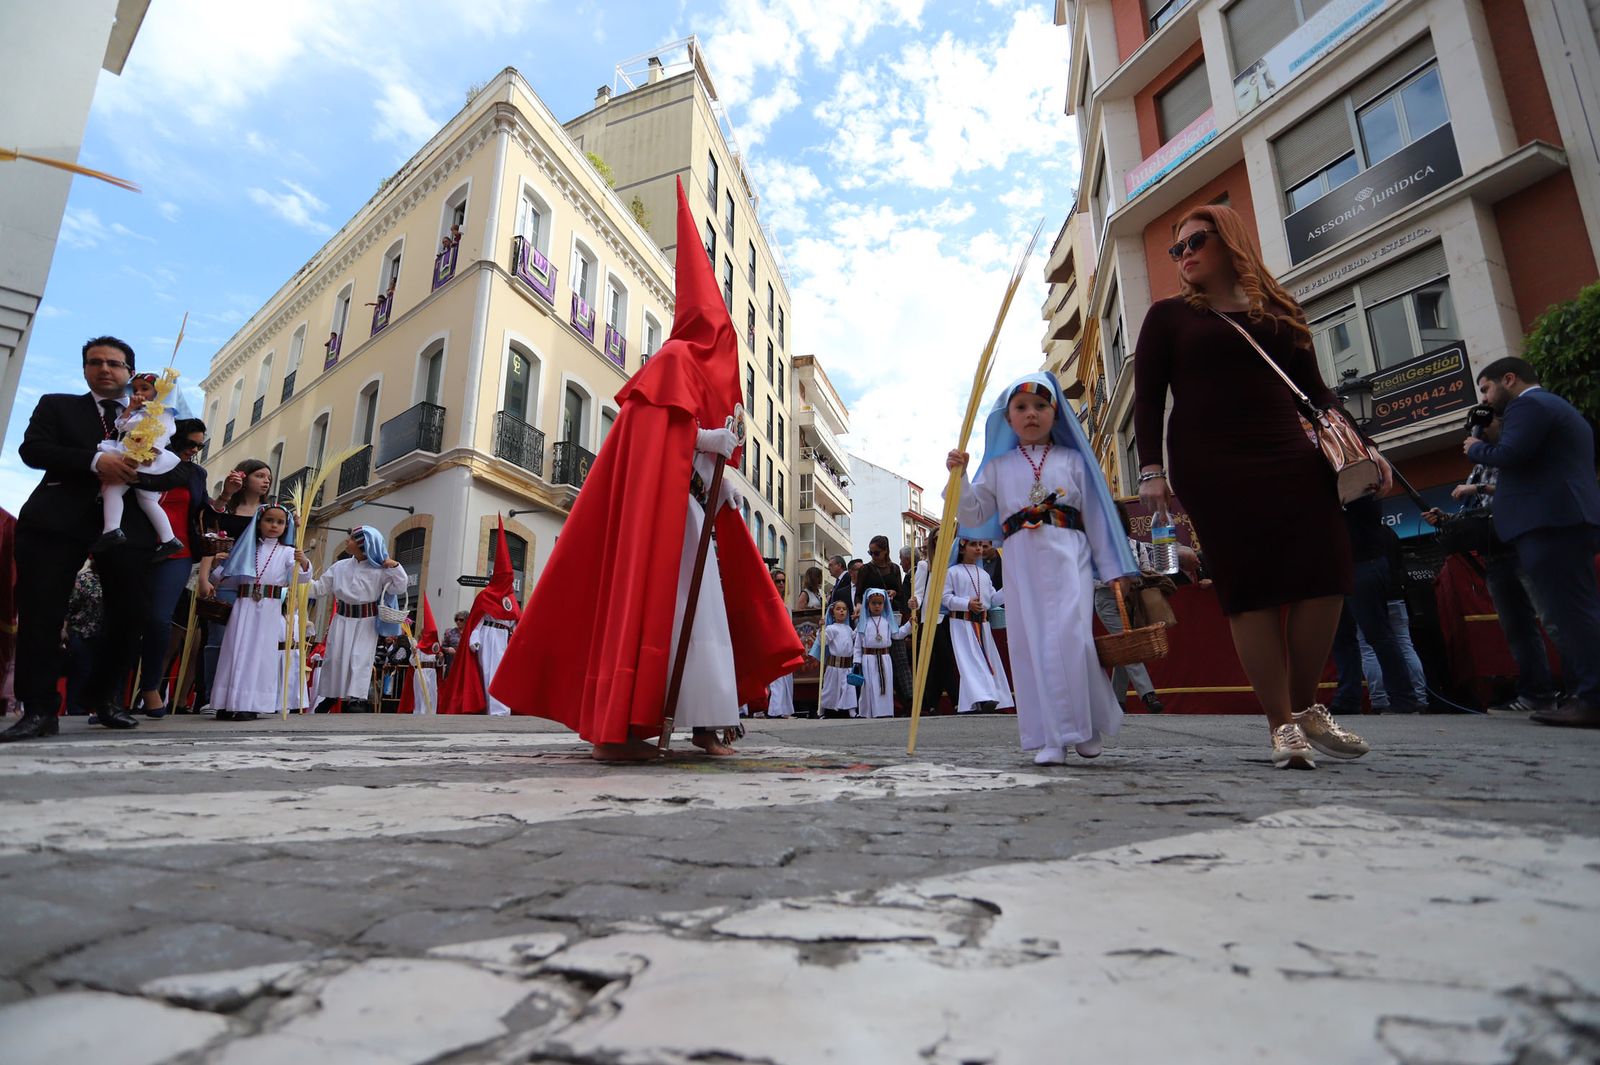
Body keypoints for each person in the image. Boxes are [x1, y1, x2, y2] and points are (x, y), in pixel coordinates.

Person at [489, 180, 803, 760]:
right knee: (663, 609)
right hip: (662, 518)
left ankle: (709, 719)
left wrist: (720, 472)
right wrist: (706, 440)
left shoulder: (695, 371)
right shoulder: (673, 359)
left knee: (703, 610)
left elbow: (684, 443)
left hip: (690, 511)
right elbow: (653, 436)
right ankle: (628, 724)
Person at [1133, 204, 1384, 769]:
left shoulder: (1280, 311)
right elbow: (1148, 398)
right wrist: (1151, 470)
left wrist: (1363, 447)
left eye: (1195, 241)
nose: (1184, 254)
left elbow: (1318, 393)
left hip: (1291, 456)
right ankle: (1281, 725)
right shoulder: (1168, 317)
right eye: (1177, 249)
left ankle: (1302, 708)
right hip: (1211, 463)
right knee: (1252, 591)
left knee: (1328, 574)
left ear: (1230, 240)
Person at [2, 336, 193, 742]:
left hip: (128, 529)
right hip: (56, 522)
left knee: (130, 613)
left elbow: (181, 471)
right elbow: (33, 450)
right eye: (95, 362)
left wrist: (135, 473)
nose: (104, 369)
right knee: (42, 613)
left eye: (114, 363)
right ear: (85, 369)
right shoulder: (57, 405)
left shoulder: (155, 414)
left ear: (130, 372)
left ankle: (107, 701)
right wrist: (96, 461)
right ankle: (38, 710)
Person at [948, 374, 1136, 764]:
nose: (1031, 414)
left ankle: (1082, 727)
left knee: (1073, 638)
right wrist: (960, 476)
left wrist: (1113, 565)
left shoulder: (1074, 461)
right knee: (1031, 642)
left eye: (1040, 406)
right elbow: (974, 512)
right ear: (1009, 418)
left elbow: (1098, 517)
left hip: (1071, 555)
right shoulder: (998, 467)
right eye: (1021, 408)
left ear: (1055, 413)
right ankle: (1053, 737)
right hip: (1020, 560)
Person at [1465, 356, 1600, 727]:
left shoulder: (1529, 406)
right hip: (1564, 519)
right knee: (1575, 610)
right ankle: (1585, 695)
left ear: (1509, 379)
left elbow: (1510, 455)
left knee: (1569, 613)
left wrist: (1473, 447)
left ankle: (1592, 698)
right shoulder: (1553, 407)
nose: (1486, 399)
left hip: (1550, 522)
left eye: (1487, 388)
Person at [1423, 432, 1562, 715]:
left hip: (1521, 543)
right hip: (1494, 551)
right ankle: (1536, 693)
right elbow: (1477, 513)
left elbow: (1522, 488)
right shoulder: (1478, 468)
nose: (1475, 432)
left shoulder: (1510, 454)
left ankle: (1579, 689)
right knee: (1517, 627)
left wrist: (1477, 489)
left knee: (1552, 618)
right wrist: (1448, 519)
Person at [137, 418, 214, 717]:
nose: (194, 450)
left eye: (200, 445)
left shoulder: (196, 474)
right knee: (128, 621)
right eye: (190, 444)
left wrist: (225, 497)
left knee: (159, 619)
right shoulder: (147, 461)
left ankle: (150, 687)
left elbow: (204, 509)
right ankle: (111, 694)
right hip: (139, 548)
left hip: (178, 552)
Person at [209, 504, 311, 720]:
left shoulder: (288, 552)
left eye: (280, 522)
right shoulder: (245, 548)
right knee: (234, 650)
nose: (274, 525)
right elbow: (224, 578)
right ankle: (226, 702)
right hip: (243, 604)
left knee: (259, 654)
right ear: (259, 522)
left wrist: (303, 562)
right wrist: (220, 564)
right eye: (269, 520)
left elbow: (299, 578)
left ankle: (251, 703)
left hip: (269, 608)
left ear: (286, 526)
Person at [1329, 497, 1429, 715]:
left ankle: (1403, 697)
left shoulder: (1359, 484)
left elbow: (1368, 512)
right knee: (1342, 635)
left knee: (1376, 633)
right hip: (1336, 566)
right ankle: (1348, 697)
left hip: (1363, 562)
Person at [198, 459, 274, 706]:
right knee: (216, 641)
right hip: (225, 582)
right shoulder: (225, 511)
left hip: (257, 585)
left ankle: (243, 696)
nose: (266, 481)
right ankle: (210, 696)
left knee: (251, 643)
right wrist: (204, 577)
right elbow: (210, 537)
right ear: (245, 477)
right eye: (260, 476)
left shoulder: (270, 515)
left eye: (268, 478)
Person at [309, 526, 407, 714]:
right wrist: (303, 573)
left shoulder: (380, 570)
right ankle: (331, 695)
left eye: (353, 538)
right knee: (335, 657)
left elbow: (399, 588)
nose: (348, 541)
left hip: (366, 621)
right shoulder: (339, 567)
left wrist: (394, 566)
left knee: (359, 658)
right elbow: (319, 589)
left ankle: (357, 698)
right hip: (342, 619)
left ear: (364, 545)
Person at [92, 372, 183, 559]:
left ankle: (112, 529)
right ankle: (169, 538)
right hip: (131, 450)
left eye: (145, 388)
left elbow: (162, 434)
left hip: (142, 456)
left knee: (112, 490)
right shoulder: (138, 412)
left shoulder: (163, 411)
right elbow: (121, 426)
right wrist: (130, 408)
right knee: (148, 500)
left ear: (158, 391)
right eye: (135, 389)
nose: (138, 393)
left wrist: (151, 452)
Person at [439, 518, 521, 716]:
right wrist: (474, 639)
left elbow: (515, 621)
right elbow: (477, 622)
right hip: (487, 637)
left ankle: (502, 710)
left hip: (504, 638)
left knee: (502, 673)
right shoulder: (484, 596)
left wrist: (517, 638)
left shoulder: (511, 598)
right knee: (486, 673)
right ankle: (489, 708)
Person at [1093, 502, 1165, 714]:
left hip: (1132, 600)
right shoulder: (1095, 546)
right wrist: (1110, 580)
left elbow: (1147, 570)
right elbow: (1088, 576)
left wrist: (1134, 578)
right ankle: (1148, 695)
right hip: (1107, 599)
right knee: (1129, 643)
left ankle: (1117, 700)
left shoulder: (1136, 545)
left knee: (1125, 646)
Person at [941, 539, 1012, 716]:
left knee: (983, 661)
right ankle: (983, 697)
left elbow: (992, 600)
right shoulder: (952, 572)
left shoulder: (984, 574)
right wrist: (966, 603)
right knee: (970, 661)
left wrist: (1009, 588)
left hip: (983, 625)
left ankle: (970, 703)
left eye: (980, 545)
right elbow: (945, 598)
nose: (979, 548)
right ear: (962, 549)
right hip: (962, 624)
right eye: (974, 545)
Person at [852, 588, 909, 719]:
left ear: (884, 604)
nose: (877, 606)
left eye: (880, 603)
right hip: (868, 659)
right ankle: (868, 712)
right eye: (874, 603)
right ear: (868, 604)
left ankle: (885, 711)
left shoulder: (888, 621)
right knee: (870, 686)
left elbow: (898, 635)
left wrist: (909, 625)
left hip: (884, 658)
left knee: (885, 685)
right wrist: (857, 661)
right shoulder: (863, 622)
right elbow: (858, 644)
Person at [399, 594, 442, 715]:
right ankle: (419, 712)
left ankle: (431, 712)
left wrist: (440, 658)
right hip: (421, 670)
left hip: (432, 671)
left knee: (432, 692)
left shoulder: (435, 647)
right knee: (421, 692)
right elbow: (412, 663)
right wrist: (413, 654)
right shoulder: (417, 646)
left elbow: (439, 664)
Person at [815, 599, 858, 719]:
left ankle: (852, 711)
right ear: (833, 612)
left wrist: (860, 622)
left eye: (844, 609)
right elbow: (823, 642)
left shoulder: (848, 629)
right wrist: (821, 629)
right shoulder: (831, 629)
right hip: (834, 666)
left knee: (849, 688)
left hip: (847, 666)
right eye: (838, 609)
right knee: (830, 689)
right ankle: (822, 710)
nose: (841, 611)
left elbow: (855, 637)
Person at [441, 610, 468, 676]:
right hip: (452, 664)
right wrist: (447, 649)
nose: (458, 621)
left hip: (465, 664)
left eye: (461, 620)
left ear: (467, 620)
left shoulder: (471, 633)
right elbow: (442, 647)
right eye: (456, 619)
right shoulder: (449, 632)